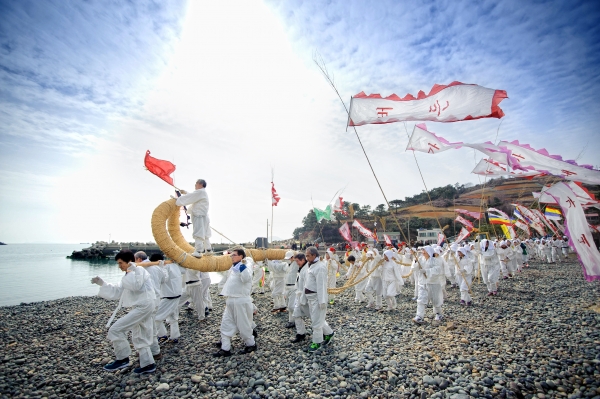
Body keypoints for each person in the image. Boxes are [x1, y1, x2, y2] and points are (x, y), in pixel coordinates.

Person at [92, 250, 159, 374]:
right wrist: (102, 284)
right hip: (142, 306)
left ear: (129, 261)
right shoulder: (130, 274)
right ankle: (148, 364)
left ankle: (122, 359)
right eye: (118, 263)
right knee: (140, 334)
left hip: (144, 306)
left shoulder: (139, 271)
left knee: (116, 329)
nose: (119, 266)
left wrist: (132, 270)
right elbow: (118, 291)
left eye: (121, 263)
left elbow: (135, 285)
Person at [213, 249, 256, 357]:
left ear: (241, 256)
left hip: (240, 300)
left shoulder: (245, 266)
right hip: (231, 300)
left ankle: (251, 344)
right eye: (231, 255)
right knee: (225, 323)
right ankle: (225, 348)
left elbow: (246, 278)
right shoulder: (233, 268)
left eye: (234, 255)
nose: (232, 257)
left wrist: (241, 266)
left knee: (243, 324)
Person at [302, 246, 334, 352]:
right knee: (318, 318)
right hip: (310, 297)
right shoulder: (311, 265)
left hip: (316, 298)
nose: (306, 258)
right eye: (305, 255)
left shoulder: (320, 267)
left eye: (308, 255)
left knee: (316, 321)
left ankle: (317, 342)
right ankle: (329, 333)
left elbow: (321, 285)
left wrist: (322, 301)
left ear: (314, 255)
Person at [146, 254, 182, 344]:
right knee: (173, 317)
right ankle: (174, 336)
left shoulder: (165, 267)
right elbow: (184, 271)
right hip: (176, 294)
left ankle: (162, 335)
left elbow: (163, 279)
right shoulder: (174, 265)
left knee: (156, 317)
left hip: (169, 295)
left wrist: (160, 268)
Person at [175, 179, 212, 258]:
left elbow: (191, 197)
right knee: (205, 233)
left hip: (198, 215)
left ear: (200, 184)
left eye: (196, 184)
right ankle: (208, 249)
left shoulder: (200, 192)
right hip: (204, 215)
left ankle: (198, 251)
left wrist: (178, 200)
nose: (195, 185)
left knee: (198, 232)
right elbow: (193, 196)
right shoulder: (202, 192)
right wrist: (185, 192)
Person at [412, 246, 445, 324]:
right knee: (421, 299)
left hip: (433, 283)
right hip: (422, 283)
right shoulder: (420, 260)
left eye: (424, 251)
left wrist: (427, 271)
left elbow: (437, 270)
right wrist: (415, 262)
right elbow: (414, 268)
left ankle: (438, 313)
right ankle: (419, 316)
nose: (423, 252)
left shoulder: (435, 261)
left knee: (435, 300)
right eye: (422, 250)